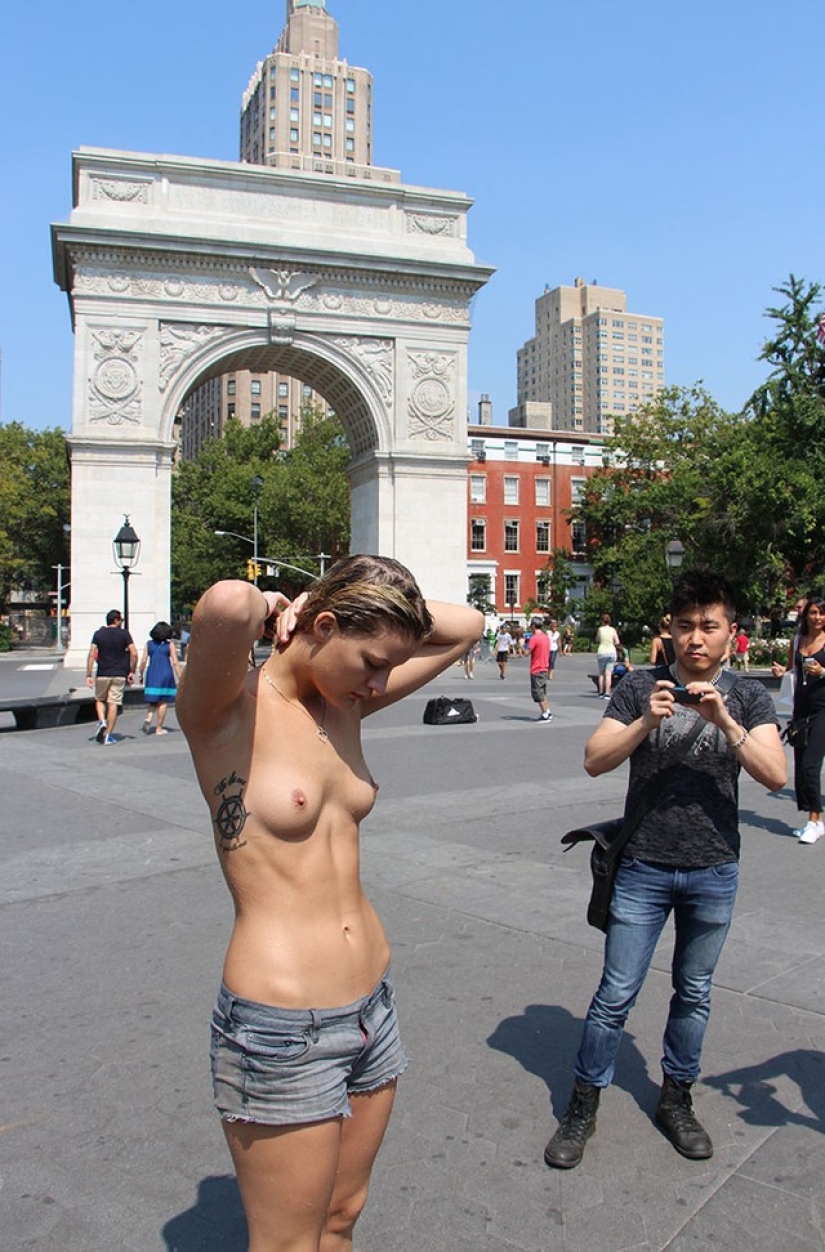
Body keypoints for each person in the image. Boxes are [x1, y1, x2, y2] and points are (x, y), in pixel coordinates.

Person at [176, 555, 482, 1252]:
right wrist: (278, 601)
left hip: (372, 1005)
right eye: (372, 661)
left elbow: (466, 625)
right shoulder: (226, 717)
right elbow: (225, 604)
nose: (380, 683)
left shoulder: (346, 700)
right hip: (282, 1024)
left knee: (343, 1215)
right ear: (319, 627)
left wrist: (340, 599)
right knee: (288, 1243)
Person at [544, 568, 785, 1170]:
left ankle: (676, 1099)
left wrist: (725, 723)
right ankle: (583, 1103)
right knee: (615, 994)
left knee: (694, 992)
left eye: (709, 626)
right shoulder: (637, 687)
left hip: (714, 867)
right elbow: (594, 761)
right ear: (668, 631)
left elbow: (776, 774)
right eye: (685, 626)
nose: (696, 638)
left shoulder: (750, 695)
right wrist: (647, 722)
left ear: (733, 632)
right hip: (644, 865)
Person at [771, 596, 825, 843]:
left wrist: (823, 672)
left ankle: (816, 820)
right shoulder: (798, 641)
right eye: (813, 613)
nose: (817, 618)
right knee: (801, 768)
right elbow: (793, 670)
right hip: (801, 709)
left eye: (821, 613)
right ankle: (810, 819)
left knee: (811, 766)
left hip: (823, 709)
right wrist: (783, 672)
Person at [85, 609, 138, 745]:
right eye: (121, 620)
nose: (121, 622)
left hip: (103, 672)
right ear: (116, 620)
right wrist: (132, 671)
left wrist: (88, 674)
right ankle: (108, 734)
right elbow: (134, 653)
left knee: (100, 699)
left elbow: (91, 654)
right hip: (119, 673)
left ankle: (102, 721)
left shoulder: (98, 634)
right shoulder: (124, 634)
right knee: (113, 703)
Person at [137, 621, 181, 735]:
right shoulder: (169, 645)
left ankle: (149, 717)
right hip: (165, 673)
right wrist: (180, 677)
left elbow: (143, 661)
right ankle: (159, 728)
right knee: (163, 700)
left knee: (153, 699)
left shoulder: (149, 644)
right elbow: (175, 663)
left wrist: (140, 674)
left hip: (152, 673)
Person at [527, 618, 553, 723]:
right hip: (544, 666)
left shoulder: (534, 638)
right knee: (543, 691)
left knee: (538, 692)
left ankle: (545, 713)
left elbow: (526, 652)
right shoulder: (546, 637)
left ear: (533, 626)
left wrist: (521, 645)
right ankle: (547, 711)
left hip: (536, 668)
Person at [595, 613, 620, 699]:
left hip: (602, 651)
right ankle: (607, 693)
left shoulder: (600, 629)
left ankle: (600, 692)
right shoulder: (613, 630)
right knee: (608, 674)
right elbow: (617, 642)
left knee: (601, 673)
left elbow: (597, 639)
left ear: (602, 621)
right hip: (611, 651)